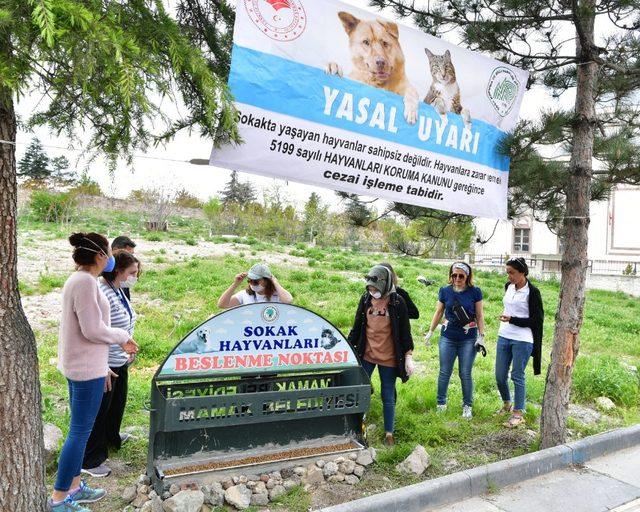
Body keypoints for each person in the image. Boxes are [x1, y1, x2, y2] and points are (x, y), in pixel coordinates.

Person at [50, 233, 138, 512]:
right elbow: (92, 329)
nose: (112, 258)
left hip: (84, 364)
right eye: (108, 253)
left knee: (81, 431)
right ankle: (59, 498)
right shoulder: (86, 283)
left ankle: (75, 486)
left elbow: (81, 331)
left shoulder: (78, 280)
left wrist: (103, 366)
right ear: (101, 256)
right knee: (79, 433)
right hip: (85, 370)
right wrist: (122, 336)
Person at [82, 251, 140, 477]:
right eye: (132, 273)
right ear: (118, 271)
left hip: (120, 359)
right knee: (100, 410)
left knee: (116, 405)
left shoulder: (118, 289)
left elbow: (124, 322)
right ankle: (91, 459)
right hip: (106, 363)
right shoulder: (103, 293)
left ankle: (111, 438)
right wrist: (102, 364)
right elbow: (96, 332)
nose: (135, 277)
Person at [347, 264, 414, 446]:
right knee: (361, 391)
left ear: (385, 284)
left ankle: (389, 434)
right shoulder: (365, 299)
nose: (372, 291)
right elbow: (357, 326)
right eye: (369, 288)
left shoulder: (397, 302)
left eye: (375, 288)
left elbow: (405, 332)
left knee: (388, 395)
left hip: (389, 358)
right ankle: (358, 430)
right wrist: (347, 346)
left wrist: (408, 356)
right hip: (367, 354)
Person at [424, 262, 485, 419]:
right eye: (454, 275)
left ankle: (467, 406)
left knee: (465, 373)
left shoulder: (475, 292)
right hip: (448, 337)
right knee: (445, 372)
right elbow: (439, 312)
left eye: (461, 276)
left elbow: (479, 315)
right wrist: (430, 331)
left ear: (467, 276)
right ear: (450, 275)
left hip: (468, 338)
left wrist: (481, 336)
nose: (457, 278)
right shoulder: (445, 291)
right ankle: (441, 404)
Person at [495, 257, 544, 428]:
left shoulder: (533, 292)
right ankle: (507, 403)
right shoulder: (508, 287)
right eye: (507, 272)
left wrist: (513, 319)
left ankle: (518, 413)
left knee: (517, 375)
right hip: (504, 335)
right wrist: (507, 319)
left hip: (523, 339)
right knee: (500, 376)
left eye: (512, 273)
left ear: (522, 272)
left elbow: (536, 320)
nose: (509, 276)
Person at [217, 263, 293, 308]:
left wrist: (275, 282)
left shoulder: (278, 295)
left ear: (267, 281)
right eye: (249, 280)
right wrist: (235, 284)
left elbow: (288, 300)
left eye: (256, 281)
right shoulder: (244, 295)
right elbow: (222, 305)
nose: (252, 284)